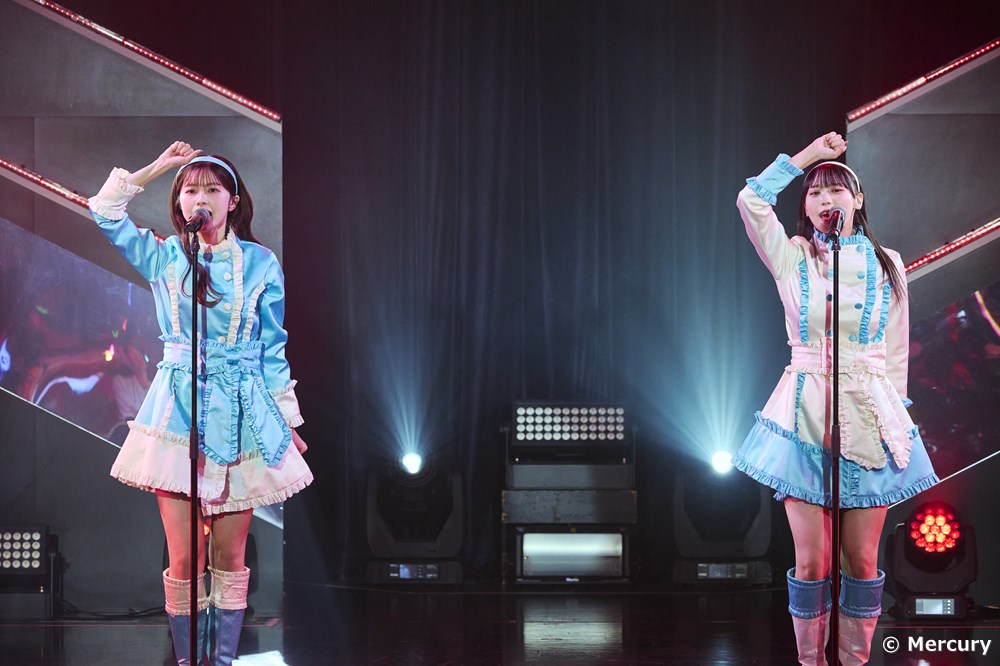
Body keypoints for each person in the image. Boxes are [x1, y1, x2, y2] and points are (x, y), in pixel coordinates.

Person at [88, 141, 313, 665]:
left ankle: (224, 660)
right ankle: (189, 660)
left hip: (242, 412)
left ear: (233, 201)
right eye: (190, 191)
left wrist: (285, 419)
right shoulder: (166, 256)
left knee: (229, 555)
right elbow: (105, 210)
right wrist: (157, 167)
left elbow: (272, 348)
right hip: (178, 411)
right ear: (179, 204)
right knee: (185, 556)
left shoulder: (261, 263)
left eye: (212, 189)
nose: (200, 199)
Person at [732, 132, 939, 665]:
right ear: (805, 208)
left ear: (858, 200)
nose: (826, 200)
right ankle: (811, 660)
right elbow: (751, 200)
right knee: (812, 561)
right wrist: (808, 158)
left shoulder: (888, 263)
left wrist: (895, 419)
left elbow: (895, 353)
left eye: (836, 190)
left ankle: (854, 659)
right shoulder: (793, 257)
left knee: (861, 561)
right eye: (815, 192)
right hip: (804, 416)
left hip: (869, 414)